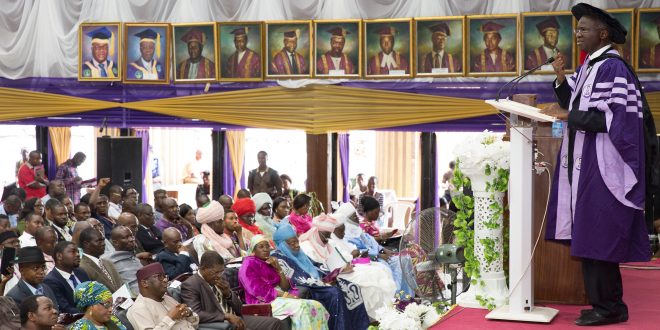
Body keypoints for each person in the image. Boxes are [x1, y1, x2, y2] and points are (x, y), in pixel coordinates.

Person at [542, 3, 651, 326]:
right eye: (576, 29)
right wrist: (561, 77)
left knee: (600, 235)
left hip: (604, 166)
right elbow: (572, 103)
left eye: (584, 29)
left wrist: (568, 116)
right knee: (590, 235)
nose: (577, 34)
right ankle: (603, 303)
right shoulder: (591, 66)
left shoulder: (612, 68)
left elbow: (613, 119)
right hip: (585, 163)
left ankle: (611, 307)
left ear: (602, 34)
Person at [272, 222, 370, 330]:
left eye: (297, 241)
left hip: (316, 283)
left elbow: (316, 266)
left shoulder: (300, 253)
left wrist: (332, 274)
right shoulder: (278, 257)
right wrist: (322, 282)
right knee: (334, 293)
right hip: (303, 289)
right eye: (292, 243)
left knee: (351, 286)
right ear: (282, 245)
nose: (296, 245)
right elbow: (293, 279)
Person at [238, 235, 330, 330]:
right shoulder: (248, 264)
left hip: (278, 298)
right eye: (261, 247)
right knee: (302, 307)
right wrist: (286, 295)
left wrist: (278, 268)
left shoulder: (269, 262)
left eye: (267, 246)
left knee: (316, 305)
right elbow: (258, 290)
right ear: (253, 250)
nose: (265, 249)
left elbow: (285, 287)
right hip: (261, 302)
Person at [181, 250, 284, 330]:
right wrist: (225, 316)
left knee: (275, 323)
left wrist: (228, 294)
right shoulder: (190, 285)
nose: (218, 276)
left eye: (221, 272)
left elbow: (239, 308)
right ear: (203, 269)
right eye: (215, 273)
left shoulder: (220, 278)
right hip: (219, 324)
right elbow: (196, 314)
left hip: (236, 317)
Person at [329, 204, 398, 318]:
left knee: (381, 270)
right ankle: (375, 313)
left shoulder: (348, 234)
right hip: (344, 270)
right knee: (376, 273)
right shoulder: (333, 241)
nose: (343, 232)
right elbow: (343, 258)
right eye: (353, 216)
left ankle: (388, 306)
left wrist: (360, 254)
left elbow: (358, 247)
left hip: (356, 264)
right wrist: (356, 255)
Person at [340, 203, 414, 297]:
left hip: (379, 255)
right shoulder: (347, 235)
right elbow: (360, 251)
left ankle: (408, 296)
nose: (357, 218)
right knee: (396, 264)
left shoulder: (357, 229)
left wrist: (384, 250)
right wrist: (379, 255)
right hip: (371, 259)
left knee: (405, 258)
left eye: (356, 215)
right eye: (354, 216)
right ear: (347, 219)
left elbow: (373, 243)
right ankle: (397, 295)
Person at [127, 263, 200, 329]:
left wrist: (189, 313)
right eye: (159, 277)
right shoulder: (138, 309)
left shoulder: (167, 298)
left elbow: (194, 325)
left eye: (165, 276)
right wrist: (170, 318)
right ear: (144, 283)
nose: (165, 280)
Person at [43, 241, 90, 313]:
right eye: (73, 252)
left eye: (78, 252)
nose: (78, 255)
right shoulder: (51, 281)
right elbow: (65, 309)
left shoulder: (81, 272)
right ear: (59, 256)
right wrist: (91, 313)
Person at [78, 227, 123, 293]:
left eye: (103, 240)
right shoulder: (81, 267)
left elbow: (121, 284)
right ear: (86, 244)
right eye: (99, 241)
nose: (103, 243)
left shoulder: (108, 262)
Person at [102, 226, 142, 296]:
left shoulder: (134, 256)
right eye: (126, 237)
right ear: (116, 243)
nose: (131, 239)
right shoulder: (108, 260)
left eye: (131, 236)